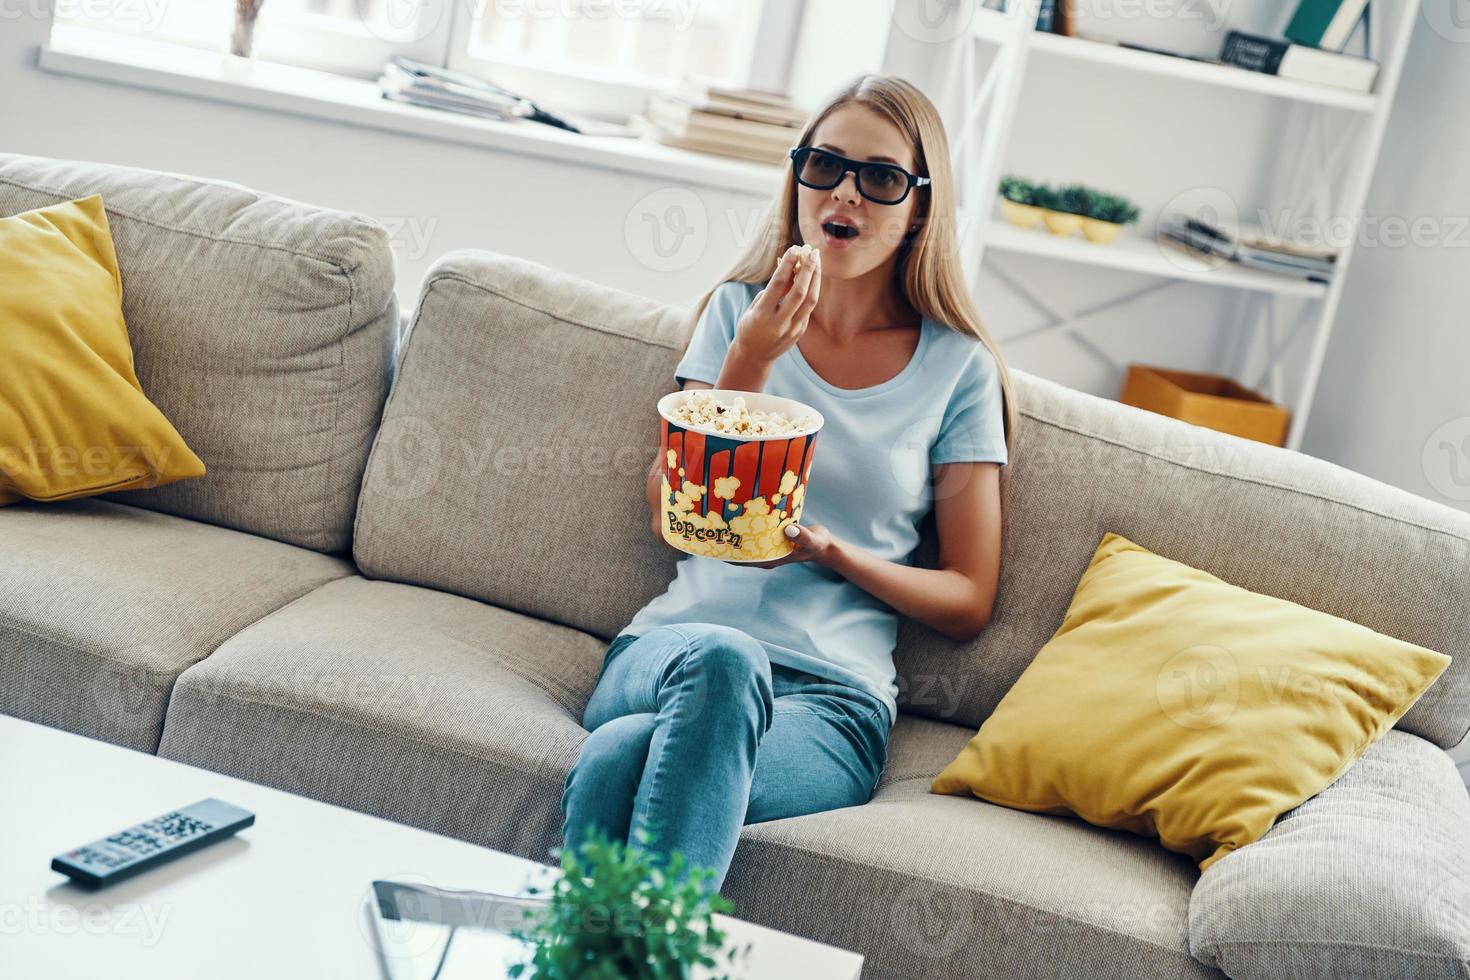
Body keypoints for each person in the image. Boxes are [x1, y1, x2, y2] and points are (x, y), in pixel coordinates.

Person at [561, 72, 1018, 897]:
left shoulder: (958, 369)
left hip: (831, 700)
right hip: (674, 652)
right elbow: (678, 512)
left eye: (879, 177)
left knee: (620, 757)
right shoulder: (740, 315)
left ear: (919, 207)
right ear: (798, 176)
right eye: (824, 165)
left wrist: (832, 553)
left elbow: (968, 596)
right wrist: (753, 360)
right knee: (724, 660)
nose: (843, 192)